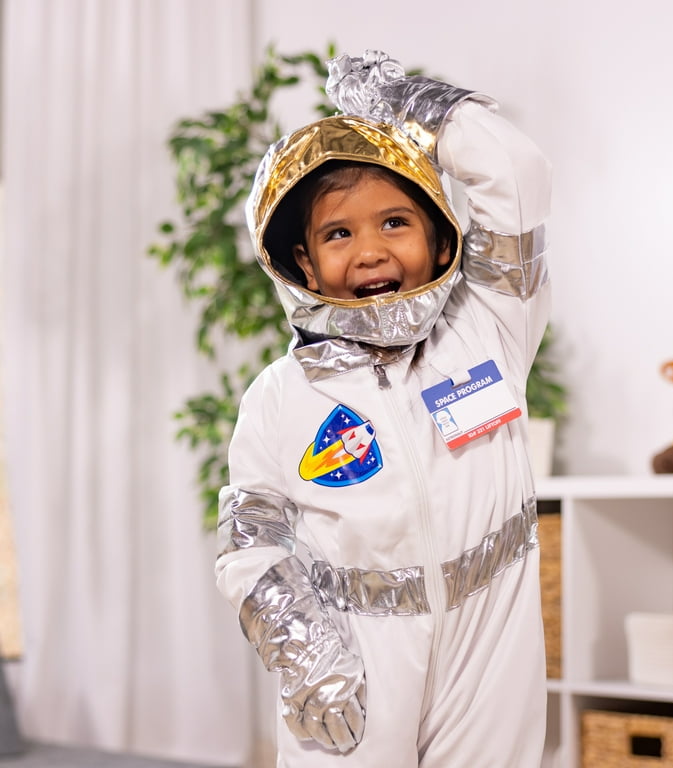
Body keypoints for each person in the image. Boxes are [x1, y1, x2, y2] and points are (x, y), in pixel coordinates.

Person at [215, 50, 552, 768]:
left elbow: (516, 172)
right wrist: (303, 651)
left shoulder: (488, 328)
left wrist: (409, 102)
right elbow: (251, 537)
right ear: (303, 263)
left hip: (488, 657)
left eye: (395, 222)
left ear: (438, 239)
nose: (369, 251)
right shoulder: (281, 395)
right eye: (338, 234)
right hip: (357, 667)